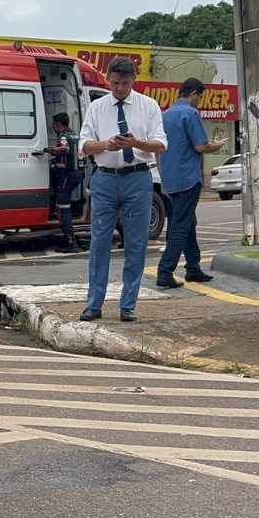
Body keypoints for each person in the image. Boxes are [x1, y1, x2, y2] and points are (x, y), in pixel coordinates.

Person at [78, 56, 168, 323]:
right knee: (99, 242)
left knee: (136, 243)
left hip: (137, 178)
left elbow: (160, 144)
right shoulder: (97, 107)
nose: (119, 88)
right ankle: (94, 304)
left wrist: (134, 143)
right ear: (108, 79)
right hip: (105, 178)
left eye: (125, 83)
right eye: (115, 83)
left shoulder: (148, 106)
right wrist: (105, 144)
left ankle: (128, 304)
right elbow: (84, 145)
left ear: (133, 80)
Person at [155, 78, 226, 287]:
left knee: (188, 222)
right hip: (188, 177)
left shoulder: (165, 115)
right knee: (180, 225)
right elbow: (201, 146)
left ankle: (193, 267)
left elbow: (158, 149)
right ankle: (165, 271)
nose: (199, 102)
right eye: (200, 97)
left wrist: (163, 177)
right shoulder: (190, 114)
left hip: (170, 178)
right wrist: (216, 146)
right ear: (193, 94)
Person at [44, 113, 82, 253]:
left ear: (59, 125)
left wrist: (47, 150)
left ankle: (71, 243)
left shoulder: (64, 137)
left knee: (63, 208)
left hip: (66, 176)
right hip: (77, 175)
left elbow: (64, 149)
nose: (52, 127)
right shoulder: (75, 136)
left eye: (53, 124)